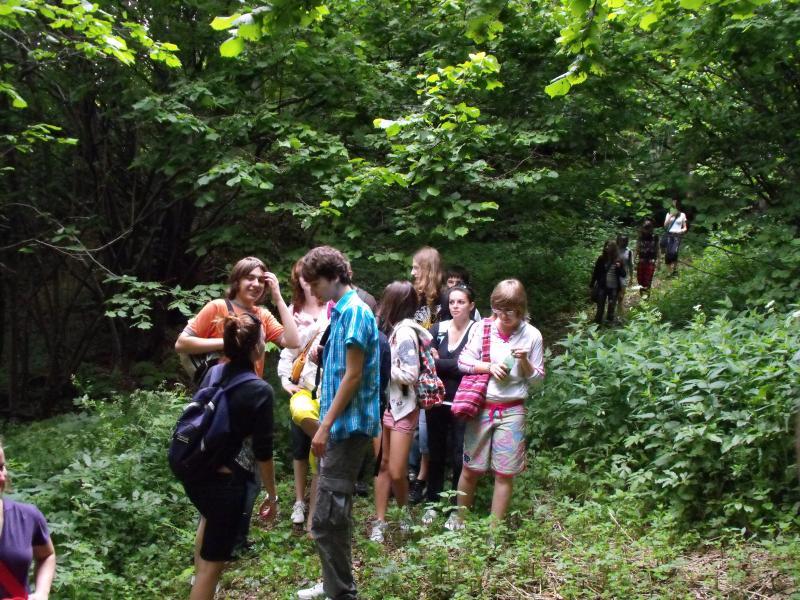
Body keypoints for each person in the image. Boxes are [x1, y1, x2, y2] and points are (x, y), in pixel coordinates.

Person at [175, 256, 299, 552]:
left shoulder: (262, 315)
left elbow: (293, 341)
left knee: (247, 473)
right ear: (236, 280)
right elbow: (182, 343)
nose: (255, 284)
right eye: (249, 278)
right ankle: (221, 543)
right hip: (219, 405)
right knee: (224, 473)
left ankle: (233, 540)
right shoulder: (218, 307)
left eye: (260, 280)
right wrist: (228, 343)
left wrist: (278, 297)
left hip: (248, 403)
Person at [297, 246, 381, 600]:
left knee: (327, 516)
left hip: (347, 426)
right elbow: (341, 368)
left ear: (333, 277)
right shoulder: (341, 311)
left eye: (315, 283)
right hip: (339, 424)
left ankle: (342, 592)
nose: (313, 292)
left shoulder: (356, 312)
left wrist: (324, 426)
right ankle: (335, 584)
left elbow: (353, 376)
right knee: (332, 513)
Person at [181, 314, 278, 600]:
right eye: (263, 339)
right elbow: (263, 452)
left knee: (208, 532)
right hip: (223, 482)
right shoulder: (259, 390)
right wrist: (272, 495)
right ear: (256, 348)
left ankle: (200, 583)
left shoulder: (213, 372)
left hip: (193, 468)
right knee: (212, 568)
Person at [449, 279, 544, 530]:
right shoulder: (483, 328)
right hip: (481, 408)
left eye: (509, 310)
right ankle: (460, 522)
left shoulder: (532, 335)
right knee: (470, 468)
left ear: (521, 309)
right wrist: (489, 367)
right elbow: (463, 362)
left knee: (504, 473)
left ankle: (494, 532)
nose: (503, 315)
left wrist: (524, 362)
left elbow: (537, 381)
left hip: (513, 410)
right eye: (498, 309)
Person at [370, 281, 431, 543]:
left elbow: (410, 374)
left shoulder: (405, 333)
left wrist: (382, 368)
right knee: (381, 465)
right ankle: (380, 521)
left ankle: (404, 513)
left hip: (403, 406)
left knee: (396, 470)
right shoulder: (393, 330)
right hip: (386, 404)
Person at [277, 259, 329, 530]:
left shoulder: (332, 306)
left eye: (310, 275)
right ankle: (300, 500)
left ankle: (316, 509)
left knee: (319, 448)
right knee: (300, 447)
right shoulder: (293, 309)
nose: (306, 281)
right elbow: (289, 350)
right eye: (301, 276)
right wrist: (285, 380)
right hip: (303, 387)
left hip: (327, 388)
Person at [422, 285, 477, 526]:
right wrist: (454, 364)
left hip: (463, 401)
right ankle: (433, 502)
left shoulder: (477, 331)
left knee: (458, 455)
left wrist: (443, 363)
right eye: (452, 302)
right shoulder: (438, 328)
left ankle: (456, 507)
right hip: (437, 400)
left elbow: (468, 366)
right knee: (435, 452)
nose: (455, 306)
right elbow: (427, 361)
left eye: (461, 302)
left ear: (471, 305)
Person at [0, 440, 56, 599]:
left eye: (1, 467)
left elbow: (46, 555)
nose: (2, 478)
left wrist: (41, 593)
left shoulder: (27, 517)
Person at [408, 247, 443, 503]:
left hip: (433, 371)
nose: (412, 273)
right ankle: (410, 475)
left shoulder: (445, 299)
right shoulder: (412, 298)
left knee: (425, 429)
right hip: (411, 367)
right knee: (411, 427)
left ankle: (423, 477)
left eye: (416, 268)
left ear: (427, 269)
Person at [589, 240, 626, 325]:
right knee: (600, 307)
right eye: (606, 246)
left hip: (614, 288)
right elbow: (596, 272)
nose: (606, 247)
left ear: (613, 248)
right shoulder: (601, 259)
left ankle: (609, 324)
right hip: (602, 286)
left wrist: (619, 268)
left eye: (609, 246)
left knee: (611, 307)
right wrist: (591, 284)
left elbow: (623, 274)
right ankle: (597, 324)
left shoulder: (618, 260)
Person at [663, 199, 688, 276]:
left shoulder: (682, 215)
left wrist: (681, 231)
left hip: (677, 235)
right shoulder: (668, 214)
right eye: (673, 205)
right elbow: (665, 225)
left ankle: (675, 270)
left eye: (675, 205)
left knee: (674, 252)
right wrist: (670, 216)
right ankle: (669, 272)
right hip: (669, 235)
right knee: (668, 253)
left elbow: (685, 227)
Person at [636, 219, 660, 295]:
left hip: (650, 261)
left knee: (647, 281)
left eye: (647, 228)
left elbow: (658, 249)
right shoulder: (640, 237)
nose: (646, 230)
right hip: (641, 260)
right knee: (640, 280)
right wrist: (634, 259)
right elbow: (637, 248)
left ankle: (646, 298)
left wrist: (659, 261)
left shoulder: (655, 237)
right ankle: (642, 296)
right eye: (644, 228)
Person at [616, 235, 634, 320]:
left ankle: (620, 314)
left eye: (624, 240)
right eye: (621, 240)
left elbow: (631, 265)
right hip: (614, 276)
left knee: (621, 296)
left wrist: (631, 278)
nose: (622, 242)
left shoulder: (629, 251)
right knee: (614, 296)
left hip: (624, 276)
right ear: (618, 240)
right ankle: (614, 314)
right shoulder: (614, 250)